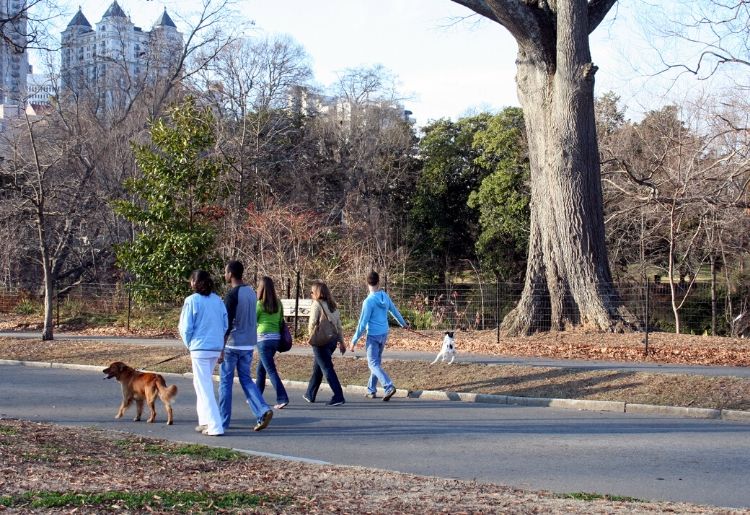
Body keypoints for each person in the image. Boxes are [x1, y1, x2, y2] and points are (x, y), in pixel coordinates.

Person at [218, 261, 273, 432]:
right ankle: (262, 409)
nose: (224, 275)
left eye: (225, 272)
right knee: (246, 379)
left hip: (233, 344)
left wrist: (221, 346)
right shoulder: (251, 292)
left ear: (231, 274)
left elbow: (226, 323)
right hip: (248, 343)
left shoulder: (232, 295)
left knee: (225, 382)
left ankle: (223, 420)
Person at [178, 270, 227, 436]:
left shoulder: (191, 301)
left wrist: (189, 344)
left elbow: (185, 328)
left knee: (204, 386)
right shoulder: (218, 300)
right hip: (215, 347)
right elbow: (225, 324)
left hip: (199, 348)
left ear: (194, 283)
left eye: (191, 280)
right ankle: (205, 421)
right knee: (201, 385)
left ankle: (215, 426)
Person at [349, 271, 409, 401]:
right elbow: (394, 311)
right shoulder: (384, 296)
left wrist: (354, 340)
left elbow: (362, 323)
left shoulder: (368, 302)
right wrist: (403, 324)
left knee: (372, 364)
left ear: (367, 283)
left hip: (373, 336)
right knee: (376, 363)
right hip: (383, 334)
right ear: (378, 282)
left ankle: (388, 386)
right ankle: (371, 390)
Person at [303, 280, 346, 406]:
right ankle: (310, 394)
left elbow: (312, 323)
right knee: (318, 367)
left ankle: (338, 395)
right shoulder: (333, 306)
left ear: (317, 293)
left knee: (327, 368)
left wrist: (311, 337)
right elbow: (339, 326)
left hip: (320, 341)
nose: (311, 294)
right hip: (332, 341)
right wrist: (341, 342)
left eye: (312, 292)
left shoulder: (317, 304)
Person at [255, 276, 289, 409]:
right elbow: (281, 320)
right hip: (275, 339)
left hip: (263, 339)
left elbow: (254, 320)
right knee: (261, 369)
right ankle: (256, 396)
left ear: (261, 288)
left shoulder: (259, 304)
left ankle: (282, 397)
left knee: (270, 369)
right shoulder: (278, 303)